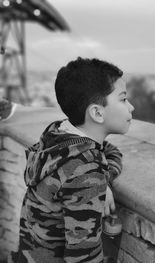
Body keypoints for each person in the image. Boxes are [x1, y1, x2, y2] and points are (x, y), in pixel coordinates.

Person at [10, 57, 135, 263]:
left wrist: (103, 177)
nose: (131, 107)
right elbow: (83, 258)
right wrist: (96, 179)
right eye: (123, 99)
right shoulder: (85, 170)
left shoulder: (57, 136)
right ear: (96, 112)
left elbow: (109, 151)